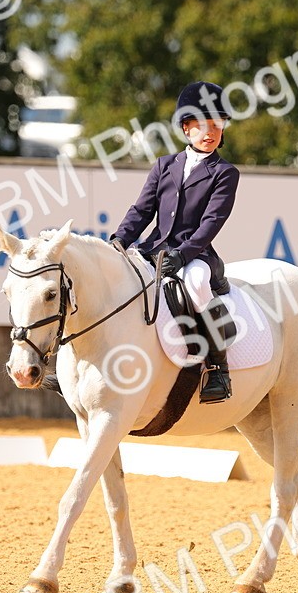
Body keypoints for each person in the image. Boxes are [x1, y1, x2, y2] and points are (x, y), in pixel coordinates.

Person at [110, 81, 239, 404]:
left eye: (217, 125)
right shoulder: (164, 166)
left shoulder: (224, 172)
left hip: (195, 254)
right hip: (153, 248)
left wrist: (183, 255)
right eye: (203, 125)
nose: (211, 132)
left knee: (195, 283)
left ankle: (217, 368)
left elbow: (212, 222)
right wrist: (119, 241)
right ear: (186, 128)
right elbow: (141, 210)